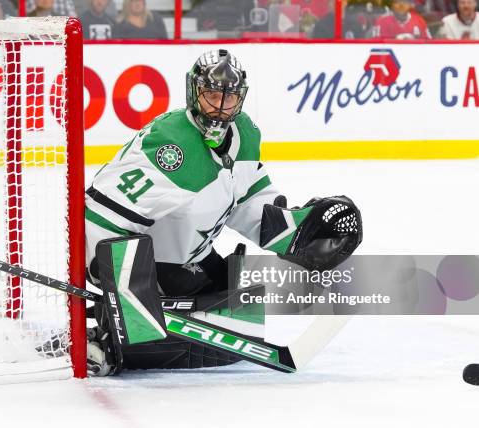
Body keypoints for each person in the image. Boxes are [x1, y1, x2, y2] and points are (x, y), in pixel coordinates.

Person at [81, 49, 362, 376]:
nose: (219, 107)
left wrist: (298, 233)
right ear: (193, 92)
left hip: (194, 258)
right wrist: (119, 287)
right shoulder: (171, 149)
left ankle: (132, 337)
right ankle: (110, 345)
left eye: (229, 98)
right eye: (211, 95)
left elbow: (249, 201)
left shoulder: (244, 136)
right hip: (156, 265)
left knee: (243, 317)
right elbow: (100, 214)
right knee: (219, 339)